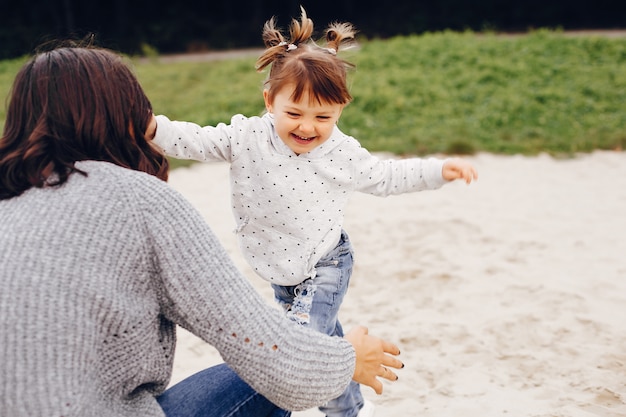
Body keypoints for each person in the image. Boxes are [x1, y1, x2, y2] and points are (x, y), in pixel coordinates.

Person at [0, 43, 405, 417]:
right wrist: (347, 358)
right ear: (131, 116)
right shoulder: (142, 202)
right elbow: (268, 353)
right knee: (272, 371)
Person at [147, 8, 477, 417]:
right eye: (295, 114)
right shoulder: (245, 138)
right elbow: (194, 140)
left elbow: (386, 176)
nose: (308, 127)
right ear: (270, 101)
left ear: (341, 108)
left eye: (323, 116)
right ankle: (352, 408)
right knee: (325, 347)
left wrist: (437, 171)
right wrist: (151, 128)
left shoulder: (341, 152)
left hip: (325, 264)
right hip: (282, 272)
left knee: (302, 355)